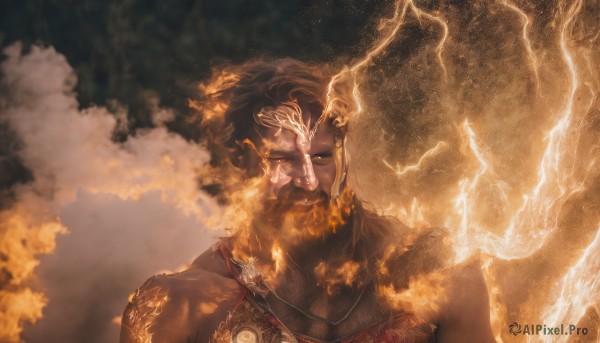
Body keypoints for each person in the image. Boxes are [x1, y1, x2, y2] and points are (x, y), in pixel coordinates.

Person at [119, 58, 495, 343]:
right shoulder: (187, 302)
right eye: (282, 159)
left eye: (321, 157)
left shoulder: (436, 274)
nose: (309, 180)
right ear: (240, 162)